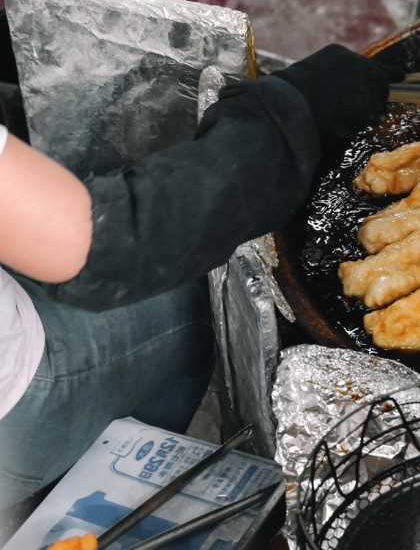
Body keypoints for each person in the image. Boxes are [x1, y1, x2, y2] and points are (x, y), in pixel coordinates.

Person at [0, 44, 398, 513]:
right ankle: (109, 478)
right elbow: (115, 242)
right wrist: (291, 110)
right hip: (21, 409)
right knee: (194, 293)